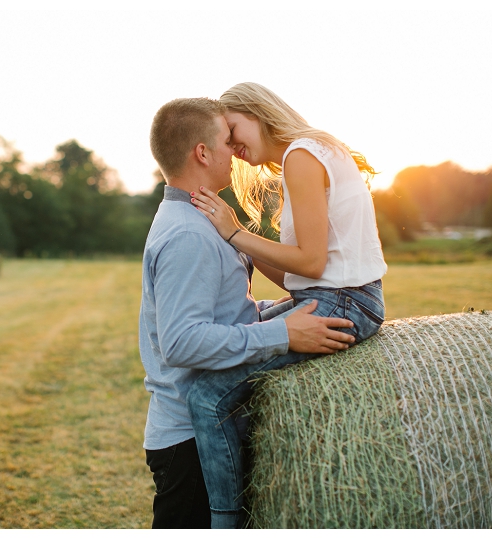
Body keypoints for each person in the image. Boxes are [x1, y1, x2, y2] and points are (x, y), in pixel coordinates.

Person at [140, 96, 358, 528]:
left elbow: (219, 310)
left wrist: (276, 310)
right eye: (227, 140)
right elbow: (182, 341)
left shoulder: (201, 218)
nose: (235, 150)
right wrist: (284, 335)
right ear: (202, 153)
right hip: (189, 441)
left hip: (204, 433)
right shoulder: (188, 234)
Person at [186, 82, 388, 528]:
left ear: (255, 112)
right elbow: (302, 277)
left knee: (206, 396)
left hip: (345, 303)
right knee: (245, 326)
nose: (233, 146)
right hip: (340, 296)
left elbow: (312, 263)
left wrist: (234, 231)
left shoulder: (301, 155)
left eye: (233, 129)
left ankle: (227, 522)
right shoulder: (313, 150)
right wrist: (242, 247)